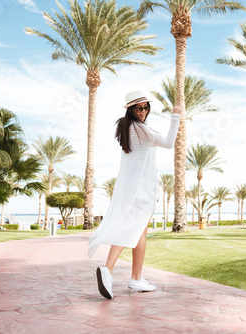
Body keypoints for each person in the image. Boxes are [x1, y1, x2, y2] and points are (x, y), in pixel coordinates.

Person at [88, 91, 182, 299]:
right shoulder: (139, 128)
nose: (143, 111)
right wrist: (176, 116)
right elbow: (168, 142)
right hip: (141, 191)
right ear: (131, 109)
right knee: (130, 230)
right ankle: (108, 269)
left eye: (146, 107)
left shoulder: (126, 127)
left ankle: (136, 278)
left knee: (139, 232)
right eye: (139, 108)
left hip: (133, 189)